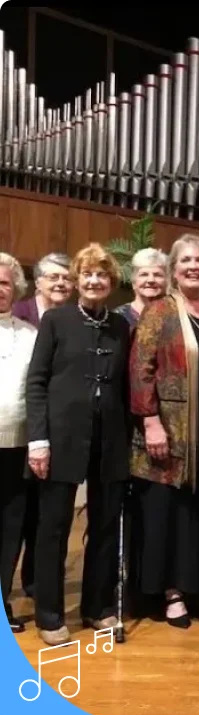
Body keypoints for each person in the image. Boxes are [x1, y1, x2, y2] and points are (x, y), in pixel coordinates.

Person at [129, 233, 199, 629]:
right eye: (185, 261)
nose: (194, 266)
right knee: (169, 513)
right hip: (172, 432)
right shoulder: (159, 311)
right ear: (173, 270)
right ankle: (171, 592)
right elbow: (141, 368)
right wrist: (151, 421)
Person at [26, 243, 131, 646]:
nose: (93, 281)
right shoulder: (55, 320)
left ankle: (98, 607)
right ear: (76, 280)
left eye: (101, 274)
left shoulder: (120, 326)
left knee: (104, 526)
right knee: (53, 527)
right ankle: (50, 614)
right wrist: (39, 440)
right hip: (61, 438)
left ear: (110, 281)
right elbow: (36, 382)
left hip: (110, 440)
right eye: (86, 274)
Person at [13, 251, 74, 600]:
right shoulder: (20, 315)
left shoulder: (73, 317)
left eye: (66, 278)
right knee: (18, 510)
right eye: (53, 277)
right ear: (38, 282)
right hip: (23, 425)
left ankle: (37, 582)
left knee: (48, 511)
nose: (61, 283)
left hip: (60, 428)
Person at [0, 253, 38, 633]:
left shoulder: (30, 335)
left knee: (10, 529)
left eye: (5, 282)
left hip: (16, 447)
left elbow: (37, 391)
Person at [115, 248, 168, 328]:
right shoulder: (117, 318)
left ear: (167, 281)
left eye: (157, 275)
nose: (151, 280)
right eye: (144, 274)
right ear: (133, 281)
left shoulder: (177, 316)